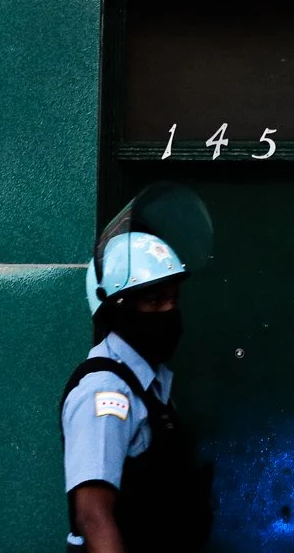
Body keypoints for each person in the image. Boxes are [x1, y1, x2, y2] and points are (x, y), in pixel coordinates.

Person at [62, 228, 212, 552]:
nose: (168, 312)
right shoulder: (105, 391)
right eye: (154, 302)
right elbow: (93, 516)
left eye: (173, 300)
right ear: (118, 308)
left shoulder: (150, 386)